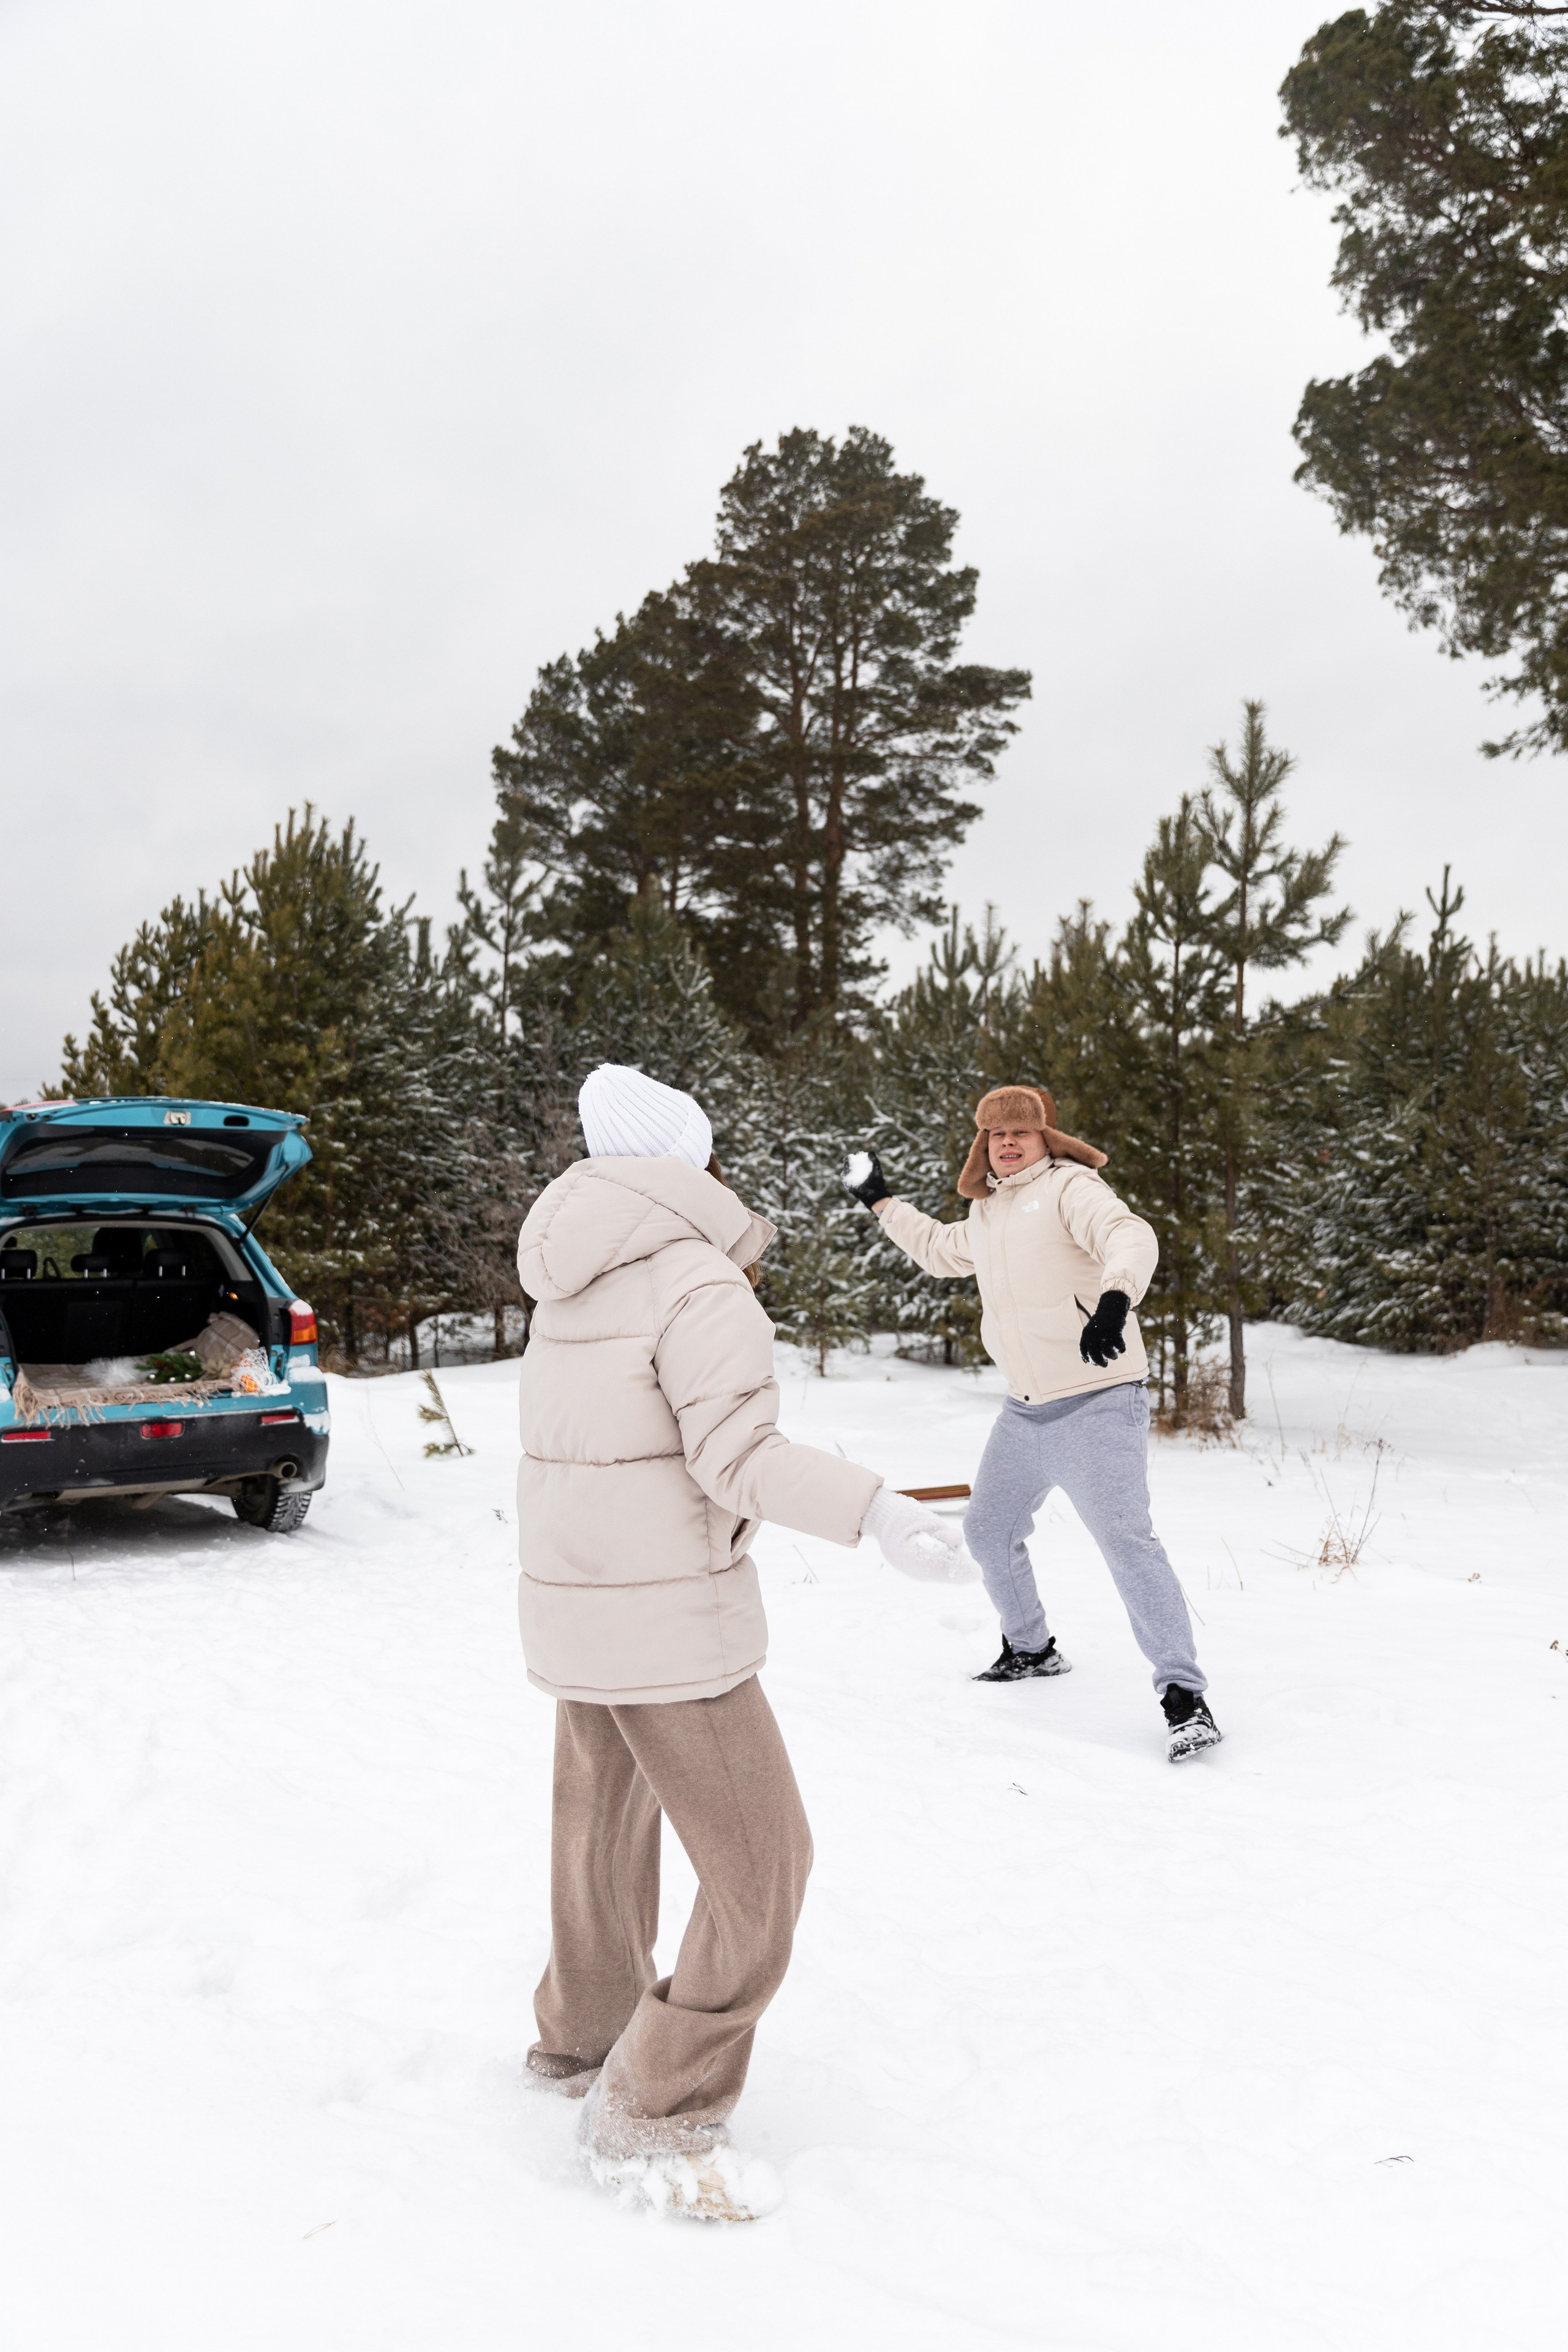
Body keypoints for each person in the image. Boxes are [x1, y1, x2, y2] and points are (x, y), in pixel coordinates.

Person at [516, 1063, 962, 2223]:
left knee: (597, 1837)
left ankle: (580, 2045)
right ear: (686, 1162)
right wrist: (875, 1509)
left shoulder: (567, 1277)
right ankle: (654, 2106)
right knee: (764, 1869)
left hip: (577, 1607)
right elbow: (736, 1458)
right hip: (667, 1625)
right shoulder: (696, 1280)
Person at [844, 1084, 1223, 1765]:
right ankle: (1031, 1649)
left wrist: (1115, 1297)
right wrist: (881, 1201)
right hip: (1024, 1412)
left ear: (1046, 1139)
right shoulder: (985, 1214)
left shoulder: (1070, 1189)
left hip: (1099, 1399)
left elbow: (1127, 1234)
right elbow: (937, 1249)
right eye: (996, 1136)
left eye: (1021, 1133)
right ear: (983, 1147)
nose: (1009, 1144)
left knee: (1127, 1544)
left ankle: (1183, 1698)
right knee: (988, 1531)